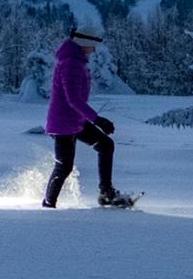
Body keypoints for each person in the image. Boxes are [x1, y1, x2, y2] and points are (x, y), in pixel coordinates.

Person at [42, 28, 129, 208]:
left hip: (76, 122)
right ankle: (48, 205)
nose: (95, 50)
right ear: (84, 44)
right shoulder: (70, 64)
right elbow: (73, 99)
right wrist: (97, 119)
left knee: (105, 145)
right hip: (63, 124)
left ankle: (106, 193)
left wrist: (93, 119)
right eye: (93, 46)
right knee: (64, 166)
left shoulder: (75, 62)